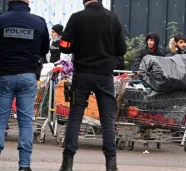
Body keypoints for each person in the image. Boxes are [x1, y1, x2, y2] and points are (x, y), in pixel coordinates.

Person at [58, 0, 127, 171]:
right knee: (107, 121)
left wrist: (77, 45)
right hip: (104, 76)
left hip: (82, 75)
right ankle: (111, 165)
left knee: (75, 117)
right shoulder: (113, 18)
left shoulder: (76, 18)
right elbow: (122, 49)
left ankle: (67, 164)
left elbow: (64, 47)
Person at [0, 0, 50, 171]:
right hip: (28, 75)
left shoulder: (2, 20)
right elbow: (44, 50)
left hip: (4, 76)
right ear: (28, 1)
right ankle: (24, 165)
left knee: (0, 120)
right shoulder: (39, 22)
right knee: (26, 122)